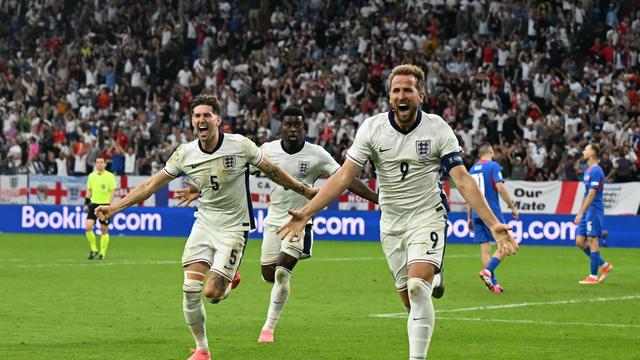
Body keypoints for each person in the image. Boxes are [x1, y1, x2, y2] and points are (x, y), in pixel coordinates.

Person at [276, 64, 518, 360]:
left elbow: (463, 179)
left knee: (417, 288)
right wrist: (306, 212)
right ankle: (434, 278)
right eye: (396, 91)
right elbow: (343, 177)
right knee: (409, 300)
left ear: (421, 95)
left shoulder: (438, 128)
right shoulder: (373, 128)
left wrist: (494, 224)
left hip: (427, 215)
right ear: (389, 97)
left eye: (408, 90)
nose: (401, 96)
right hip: (391, 222)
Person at [94, 94, 317, 360]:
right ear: (192, 121)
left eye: (207, 115)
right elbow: (149, 186)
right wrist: (115, 208)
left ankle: (229, 278)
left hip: (235, 228)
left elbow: (272, 171)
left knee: (212, 294)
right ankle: (202, 349)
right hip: (204, 223)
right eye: (197, 115)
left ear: (218, 120)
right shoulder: (185, 154)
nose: (201, 119)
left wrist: (303, 189)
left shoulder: (240, 146)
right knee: (190, 290)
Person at [255, 107, 378, 343]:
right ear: (281, 127)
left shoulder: (317, 154)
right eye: (288, 124)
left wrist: (377, 198)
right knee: (268, 275)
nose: (293, 129)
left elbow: (345, 178)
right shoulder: (267, 150)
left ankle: (268, 328)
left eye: (297, 125)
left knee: (282, 273)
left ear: (304, 128)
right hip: (273, 220)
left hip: (300, 218)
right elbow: (240, 170)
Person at [467, 143, 519, 293]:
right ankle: (488, 271)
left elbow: (469, 195)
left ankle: (493, 284)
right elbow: (500, 187)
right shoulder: (493, 166)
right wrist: (512, 206)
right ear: (491, 151)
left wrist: (469, 217)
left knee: (485, 250)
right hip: (492, 214)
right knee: (507, 245)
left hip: (477, 213)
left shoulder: (471, 169)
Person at [573, 143, 613, 285]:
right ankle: (604, 265)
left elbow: (592, 194)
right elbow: (585, 194)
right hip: (586, 212)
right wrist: (580, 213)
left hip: (594, 210)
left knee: (592, 241)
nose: (583, 151)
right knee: (579, 242)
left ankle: (593, 276)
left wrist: (582, 212)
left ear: (592, 153)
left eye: (586, 149)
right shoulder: (588, 171)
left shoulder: (597, 171)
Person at [84, 156, 117, 260]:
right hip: (93, 204)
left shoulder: (110, 176)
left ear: (105, 164)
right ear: (95, 164)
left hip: (104, 205)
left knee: (104, 229)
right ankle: (94, 250)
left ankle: (102, 253)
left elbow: (112, 191)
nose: (100, 164)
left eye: (102, 162)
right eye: (98, 162)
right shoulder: (91, 176)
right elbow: (89, 190)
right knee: (88, 226)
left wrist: (109, 205)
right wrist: (86, 203)